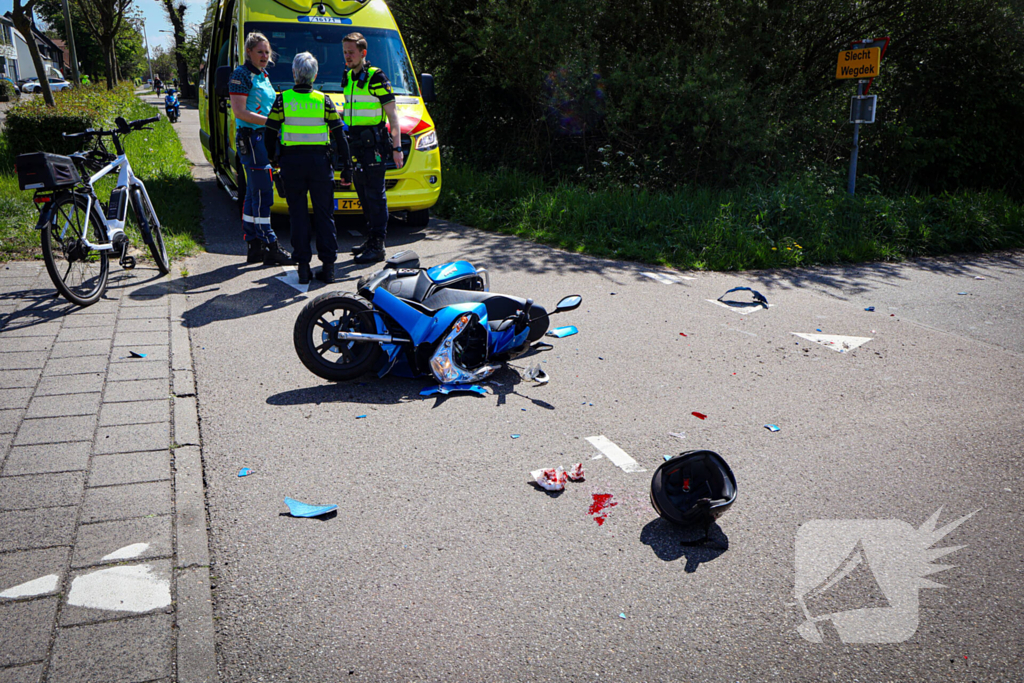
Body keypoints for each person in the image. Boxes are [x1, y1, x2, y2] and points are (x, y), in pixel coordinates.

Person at [265, 52, 352, 284]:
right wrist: (347, 166)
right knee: (324, 215)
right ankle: (329, 268)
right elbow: (340, 136)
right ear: (315, 75)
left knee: (298, 215)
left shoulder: (283, 100)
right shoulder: (324, 101)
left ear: (294, 73)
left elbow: (270, 132)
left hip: (291, 164)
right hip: (320, 164)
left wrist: (272, 160)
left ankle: (303, 268)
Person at [228, 32, 292, 266]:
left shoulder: (263, 74)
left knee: (252, 193)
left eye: (267, 52)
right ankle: (270, 244)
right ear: (248, 52)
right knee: (263, 193)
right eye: (260, 52)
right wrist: (271, 122)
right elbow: (239, 112)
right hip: (252, 139)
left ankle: (254, 244)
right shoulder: (241, 74)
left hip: (264, 138)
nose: (265, 56)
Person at [341, 32, 404, 265]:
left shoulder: (376, 77)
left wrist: (397, 148)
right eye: (345, 52)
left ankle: (378, 245)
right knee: (363, 193)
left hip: (374, 144)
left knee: (376, 195)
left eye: (351, 52)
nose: (347, 56)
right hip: (356, 143)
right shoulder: (348, 76)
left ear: (363, 53)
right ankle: (371, 239)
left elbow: (393, 116)